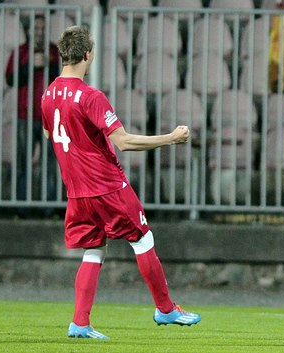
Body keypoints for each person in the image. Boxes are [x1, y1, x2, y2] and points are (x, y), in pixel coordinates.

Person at [40, 25, 200, 340]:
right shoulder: (91, 96)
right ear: (87, 54)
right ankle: (166, 309)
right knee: (142, 239)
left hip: (76, 191)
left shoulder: (48, 94)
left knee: (93, 249)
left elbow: (49, 134)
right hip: (107, 185)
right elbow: (124, 142)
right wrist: (171, 138)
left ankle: (80, 323)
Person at [6, 14, 59, 218]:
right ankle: (21, 209)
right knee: (22, 164)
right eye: (35, 29)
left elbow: (64, 80)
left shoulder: (54, 52)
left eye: (42, 29)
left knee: (50, 165)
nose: (39, 32)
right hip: (24, 116)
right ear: (28, 31)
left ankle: (49, 209)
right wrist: (31, 66)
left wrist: (50, 65)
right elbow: (11, 80)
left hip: (49, 118)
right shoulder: (20, 52)